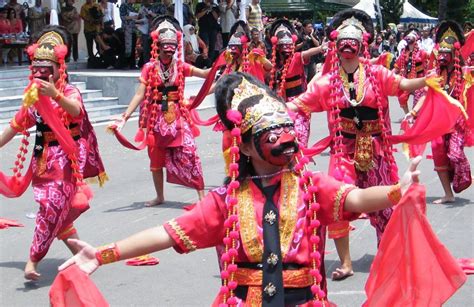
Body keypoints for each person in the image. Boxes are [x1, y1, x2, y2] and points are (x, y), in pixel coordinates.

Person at [59, 72, 423, 305]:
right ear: (246, 146)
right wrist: (101, 254)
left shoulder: (311, 186)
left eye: (287, 128)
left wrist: (397, 189)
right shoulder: (226, 201)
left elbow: (356, 198)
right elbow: (167, 233)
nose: (284, 138)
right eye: (271, 133)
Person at [288, 9, 432, 281]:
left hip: (375, 148)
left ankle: (390, 253)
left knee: (386, 203)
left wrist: (427, 80)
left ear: (361, 46)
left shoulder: (377, 73)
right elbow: (298, 104)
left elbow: (402, 83)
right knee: (336, 205)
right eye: (342, 47)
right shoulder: (327, 82)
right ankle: (346, 262)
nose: (347, 51)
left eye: (351, 46)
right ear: (336, 48)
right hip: (343, 151)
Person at [0, 25, 106, 281]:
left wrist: (55, 94)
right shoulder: (33, 95)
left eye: (46, 70)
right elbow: (16, 124)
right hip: (43, 156)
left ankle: (32, 259)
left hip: (67, 159)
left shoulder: (69, 91)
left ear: (59, 68)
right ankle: (84, 255)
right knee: (56, 212)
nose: (41, 75)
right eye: (37, 70)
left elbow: (76, 112)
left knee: (51, 206)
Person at [107, 17, 209, 206]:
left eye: (171, 50)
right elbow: (140, 94)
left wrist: (220, 67)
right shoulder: (149, 68)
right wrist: (125, 115)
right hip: (155, 117)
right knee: (155, 159)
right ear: (158, 47)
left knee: (190, 152)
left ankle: (202, 197)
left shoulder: (181, 66)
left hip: (177, 116)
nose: (168, 54)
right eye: (164, 49)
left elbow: (204, 73)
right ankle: (160, 196)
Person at [408, 20, 472, 204]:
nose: (442, 56)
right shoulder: (436, 74)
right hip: (439, 122)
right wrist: (413, 112)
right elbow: (426, 94)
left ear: (454, 53)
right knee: (438, 154)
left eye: (446, 53)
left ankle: (463, 175)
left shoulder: (464, 72)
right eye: (441, 53)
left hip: (457, 122)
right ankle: (448, 194)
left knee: (455, 154)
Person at [268, 19, 326, 147]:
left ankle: (301, 162)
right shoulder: (274, 63)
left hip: (299, 101)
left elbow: (307, 53)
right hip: (281, 103)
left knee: (300, 136)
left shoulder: (296, 57)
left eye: (288, 45)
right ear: (277, 47)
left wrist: (321, 48)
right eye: (283, 46)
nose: (286, 49)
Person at [393, 29, 429, 114]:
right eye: (408, 38)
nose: (409, 40)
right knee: (402, 97)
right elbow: (397, 67)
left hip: (419, 79)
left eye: (411, 38)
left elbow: (430, 60)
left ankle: (415, 117)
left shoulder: (422, 52)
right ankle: (407, 114)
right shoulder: (403, 53)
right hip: (407, 79)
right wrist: (389, 74)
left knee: (417, 100)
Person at [119, 0, 138, 69]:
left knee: (133, 47)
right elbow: (123, 17)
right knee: (126, 47)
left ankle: (132, 64)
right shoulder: (123, 6)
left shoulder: (132, 7)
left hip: (133, 29)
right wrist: (133, 17)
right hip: (126, 29)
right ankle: (124, 64)